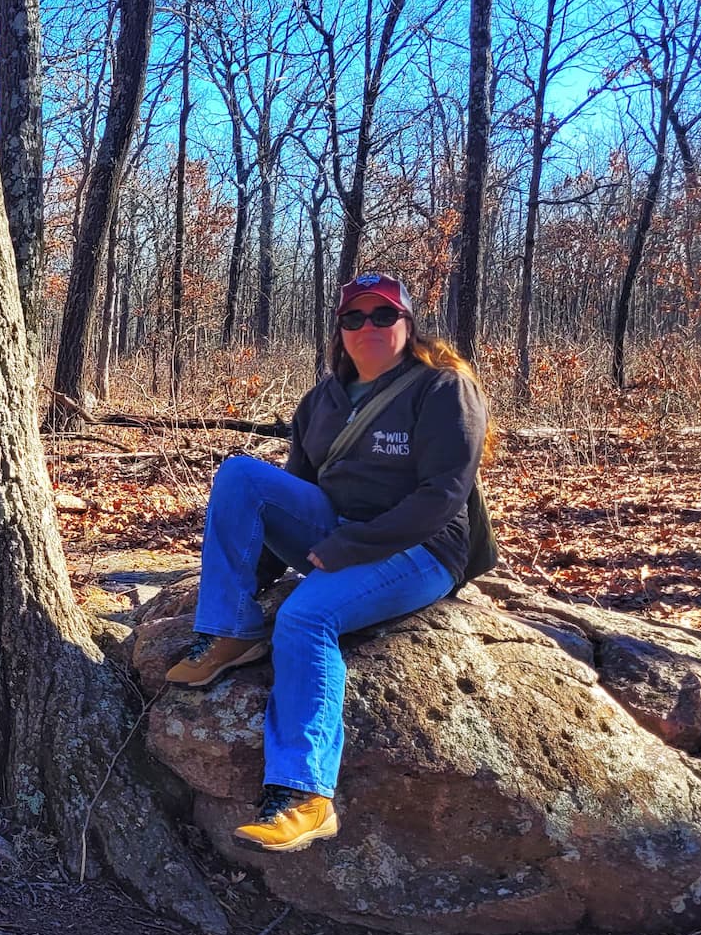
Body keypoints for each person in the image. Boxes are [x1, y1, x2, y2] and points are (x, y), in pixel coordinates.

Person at [165, 272, 495, 853]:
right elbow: (290, 496)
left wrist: (347, 551)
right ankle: (230, 632)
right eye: (353, 318)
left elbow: (443, 495)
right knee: (243, 475)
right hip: (337, 530)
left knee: (304, 618)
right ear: (339, 332)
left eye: (382, 316)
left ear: (407, 324)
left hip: (422, 548)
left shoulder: (443, 388)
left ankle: (305, 795)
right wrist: (258, 580)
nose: (367, 327)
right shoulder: (322, 399)